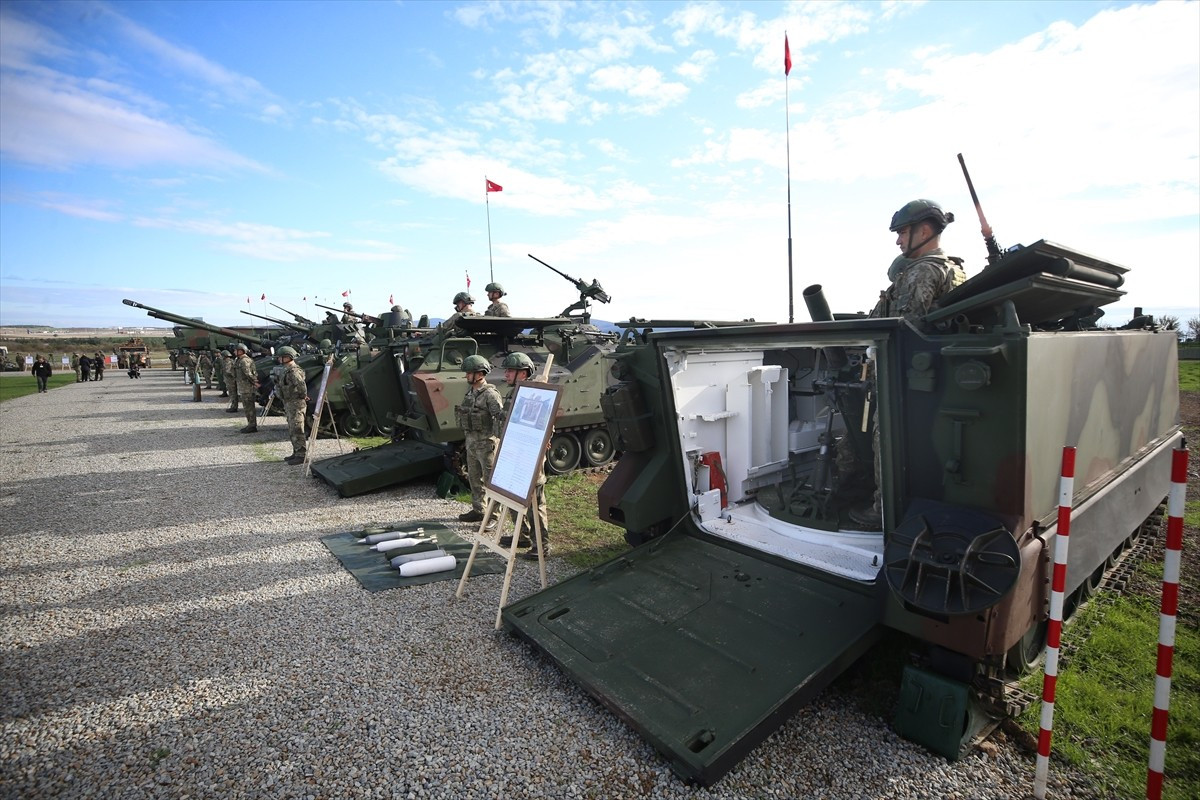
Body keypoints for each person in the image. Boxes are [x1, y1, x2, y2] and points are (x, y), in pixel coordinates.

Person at [846, 199, 965, 530]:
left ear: (924, 231)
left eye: (902, 233)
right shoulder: (952, 267)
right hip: (929, 376)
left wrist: (870, 350)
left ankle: (883, 511)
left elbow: (903, 326)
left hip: (903, 374)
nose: (898, 241)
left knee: (886, 441)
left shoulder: (923, 270)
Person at [500, 352, 551, 558]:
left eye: (510, 370)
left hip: (530, 454)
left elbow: (546, 423)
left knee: (535, 501)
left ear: (523, 373)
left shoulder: (534, 393)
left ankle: (542, 546)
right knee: (512, 495)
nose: (505, 374)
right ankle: (523, 535)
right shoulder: (513, 393)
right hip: (513, 451)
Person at [453, 354, 504, 523]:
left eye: (469, 373)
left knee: (491, 482)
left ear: (480, 374)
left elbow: (500, 417)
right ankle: (479, 509)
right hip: (472, 443)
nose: (467, 376)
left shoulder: (490, 394)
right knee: (475, 479)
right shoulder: (471, 392)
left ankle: (494, 515)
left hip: (487, 444)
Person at [275, 346, 309, 464]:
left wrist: (302, 396)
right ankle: (296, 451)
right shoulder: (286, 369)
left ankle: (301, 454)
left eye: (281, 357)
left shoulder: (294, 371)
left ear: (288, 357)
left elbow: (301, 386)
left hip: (296, 403)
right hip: (290, 402)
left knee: (297, 428)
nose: (279, 359)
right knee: (292, 428)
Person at [231, 342, 260, 432]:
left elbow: (249, 374)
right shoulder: (239, 360)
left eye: (236, 350)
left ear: (241, 351)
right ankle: (250, 424)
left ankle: (252, 426)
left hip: (247, 388)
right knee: (247, 407)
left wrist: (255, 382)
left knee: (249, 408)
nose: (234, 352)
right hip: (243, 387)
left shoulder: (244, 361)